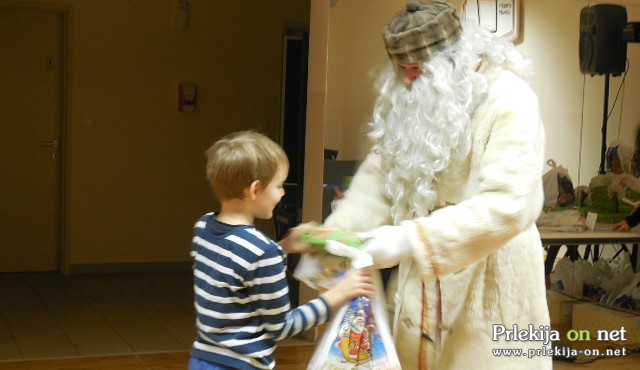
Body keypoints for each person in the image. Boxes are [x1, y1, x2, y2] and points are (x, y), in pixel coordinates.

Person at [322, 1, 551, 369]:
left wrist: (410, 239)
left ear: (454, 60)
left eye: (417, 69)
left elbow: (509, 203)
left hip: (491, 286)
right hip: (422, 291)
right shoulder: (413, 98)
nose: (409, 80)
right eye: (402, 71)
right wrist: (336, 233)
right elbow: (382, 175)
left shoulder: (509, 98)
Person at [189, 131, 374, 370]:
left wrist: (284, 246)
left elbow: (236, 272)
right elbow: (282, 327)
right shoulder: (262, 252)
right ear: (255, 189)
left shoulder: (203, 227)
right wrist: (338, 294)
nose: (283, 193)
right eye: (278, 186)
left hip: (203, 359)